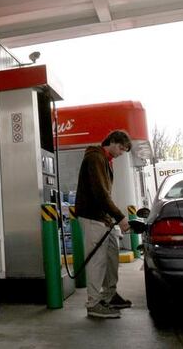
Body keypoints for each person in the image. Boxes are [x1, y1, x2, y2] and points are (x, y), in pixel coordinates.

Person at [74, 129, 132, 319]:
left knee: (111, 256)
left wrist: (112, 217)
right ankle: (93, 303)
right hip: (92, 216)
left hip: (103, 217)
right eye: (121, 149)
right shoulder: (95, 159)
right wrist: (120, 217)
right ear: (113, 142)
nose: (121, 153)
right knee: (97, 261)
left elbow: (104, 195)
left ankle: (108, 295)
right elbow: (100, 193)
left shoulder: (106, 160)